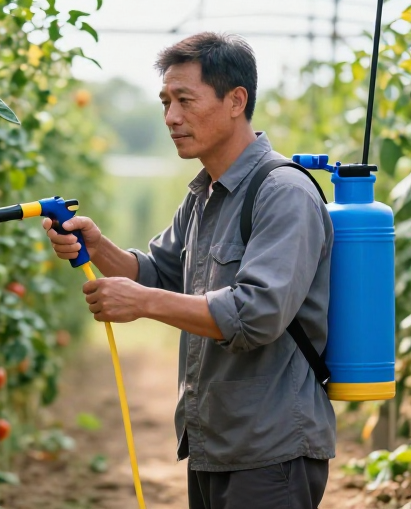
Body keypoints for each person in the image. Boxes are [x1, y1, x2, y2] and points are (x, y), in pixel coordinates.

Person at [43, 32, 336, 509]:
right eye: (164, 102)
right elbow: (158, 271)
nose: (170, 118)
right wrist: (98, 245)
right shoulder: (203, 195)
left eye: (184, 100)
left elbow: (257, 312)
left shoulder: (283, 193)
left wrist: (143, 304)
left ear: (236, 100)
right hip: (212, 442)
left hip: (270, 447)